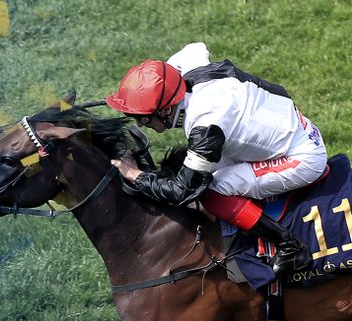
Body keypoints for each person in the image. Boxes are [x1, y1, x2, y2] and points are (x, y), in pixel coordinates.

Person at [105, 42, 327, 275]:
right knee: (202, 172)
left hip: (301, 157)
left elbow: (182, 191)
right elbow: (195, 48)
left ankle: (290, 246)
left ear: (166, 110)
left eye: (144, 119)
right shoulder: (190, 68)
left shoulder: (205, 124)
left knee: (211, 190)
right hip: (284, 126)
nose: (142, 125)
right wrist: (150, 86)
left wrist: (135, 175)